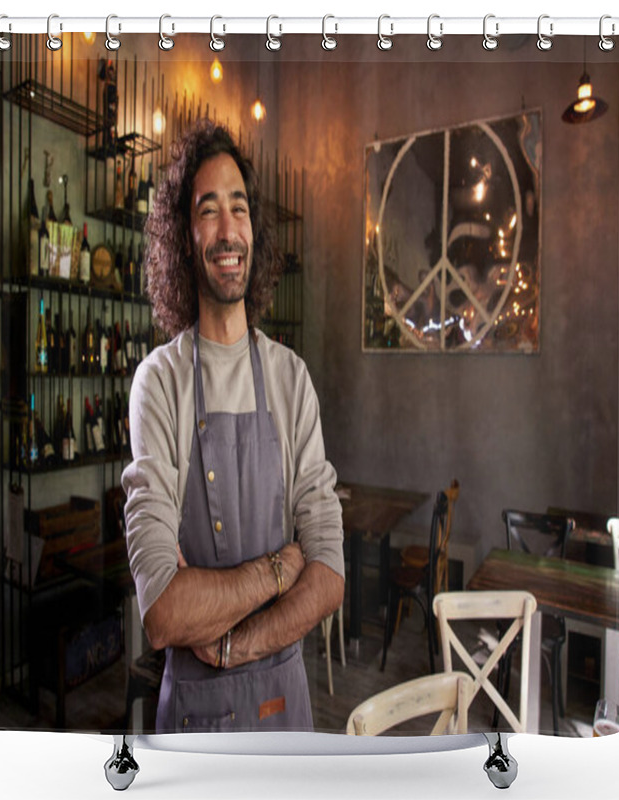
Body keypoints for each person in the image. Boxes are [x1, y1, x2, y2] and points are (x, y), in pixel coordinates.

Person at [122, 120, 344, 733]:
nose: (227, 229)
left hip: (286, 711)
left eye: (239, 208)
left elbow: (327, 573)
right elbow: (164, 610)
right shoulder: (159, 384)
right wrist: (275, 571)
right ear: (184, 237)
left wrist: (232, 645)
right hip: (196, 723)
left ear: (254, 230)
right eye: (208, 210)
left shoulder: (291, 379)